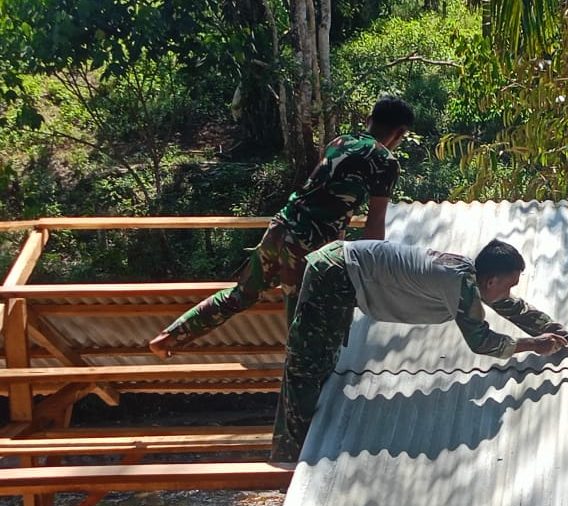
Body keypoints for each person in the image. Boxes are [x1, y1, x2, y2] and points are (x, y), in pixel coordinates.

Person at [270, 238, 568, 462]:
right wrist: (533, 346)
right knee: (307, 364)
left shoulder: (470, 276)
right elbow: (482, 342)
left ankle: (294, 444)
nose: (511, 291)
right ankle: (288, 453)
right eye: (509, 283)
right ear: (490, 281)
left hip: (345, 270)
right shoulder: (460, 285)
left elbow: (515, 309)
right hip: (336, 272)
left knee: (323, 357)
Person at [148, 96, 416, 359]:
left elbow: (326, 196)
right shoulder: (386, 162)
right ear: (400, 133)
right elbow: (375, 222)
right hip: (307, 247)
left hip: (279, 228)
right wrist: (370, 271)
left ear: (368, 120)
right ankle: (307, 394)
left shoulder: (339, 142)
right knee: (303, 328)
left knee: (240, 295)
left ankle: (170, 336)